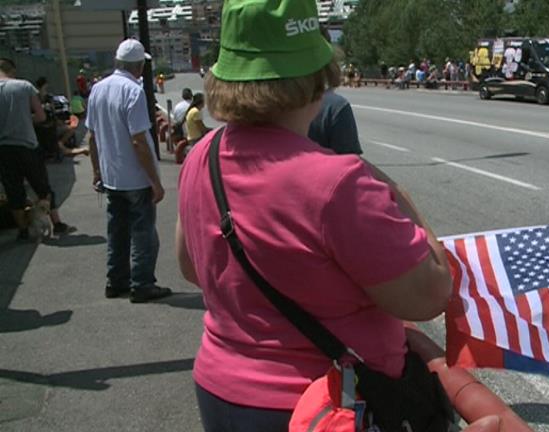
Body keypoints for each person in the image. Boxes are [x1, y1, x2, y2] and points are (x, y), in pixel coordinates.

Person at [175, 0, 452, 430]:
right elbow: (429, 294)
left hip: (220, 391)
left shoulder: (201, 157)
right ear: (316, 77)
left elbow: (192, 267)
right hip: (325, 407)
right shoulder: (337, 183)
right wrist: (399, 195)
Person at [85, 39, 171, 303]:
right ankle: (142, 285)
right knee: (143, 235)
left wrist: (97, 171)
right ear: (140, 66)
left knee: (117, 232)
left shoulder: (97, 89)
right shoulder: (133, 92)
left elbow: (91, 137)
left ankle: (116, 281)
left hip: (111, 177)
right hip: (135, 178)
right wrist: (155, 182)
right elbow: (139, 141)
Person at [0, 58, 72, 240]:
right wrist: (24, 119)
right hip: (27, 145)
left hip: (4, 149)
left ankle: (23, 229)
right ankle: (57, 224)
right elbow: (40, 116)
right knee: (42, 185)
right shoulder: (24, 86)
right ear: (12, 70)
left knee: (14, 190)